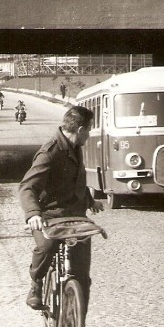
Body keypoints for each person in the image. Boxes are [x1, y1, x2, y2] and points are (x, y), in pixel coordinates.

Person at [19, 106, 103, 310]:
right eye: (89, 129)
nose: (90, 134)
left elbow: (73, 181)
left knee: (83, 277)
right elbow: (27, 186)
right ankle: (36, 284)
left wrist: (90, 201)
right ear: (81, 129)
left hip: (75, 218)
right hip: (48, 216)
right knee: (47, 246)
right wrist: (33, 214)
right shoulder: (49, 153)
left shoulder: (75, 147)